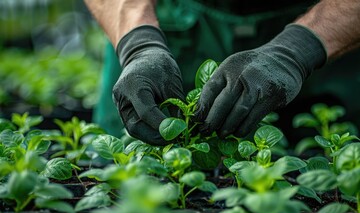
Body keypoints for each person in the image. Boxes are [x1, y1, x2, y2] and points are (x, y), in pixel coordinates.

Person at [84, 0, 360, 145]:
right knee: (126, 168)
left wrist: (298, 49)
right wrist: (139, 44)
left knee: (333, 173)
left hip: (327, 30)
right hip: (167, 23)